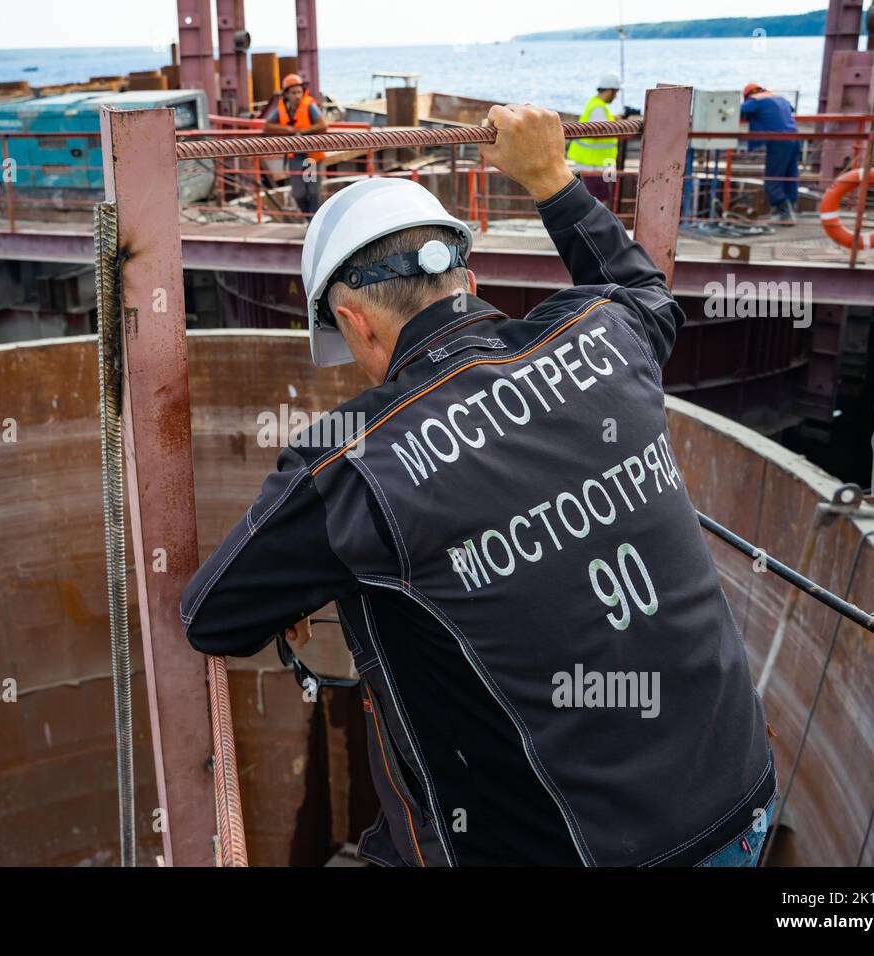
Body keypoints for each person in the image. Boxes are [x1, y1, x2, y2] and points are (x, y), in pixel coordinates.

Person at [181, 103, 776, 867]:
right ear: (468, 275)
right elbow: (648, 293)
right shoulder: (604, 332)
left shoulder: (353, 464)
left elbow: (210, 619)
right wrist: (552, 179)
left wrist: (298, 587)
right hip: (741, 802)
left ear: (355, 323)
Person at [262, 73, 328, 216]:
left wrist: (304, 131)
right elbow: (267, 126)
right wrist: (288, 129)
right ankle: (308, 220)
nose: (297, 95)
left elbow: (322, 125)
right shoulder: (282, 109)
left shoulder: (309, 106)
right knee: (298, 193)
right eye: (293, 92)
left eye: (299, 92)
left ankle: (313, 222)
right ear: (286, 94)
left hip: (311, 157)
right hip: (295, 157)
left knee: (313, 192)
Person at [741, 83, 800, 224]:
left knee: (773, 177)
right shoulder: (779, 98)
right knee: (790, 175)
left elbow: (737, 110)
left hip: (778, 141)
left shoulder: (755, 100)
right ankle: (790, 208)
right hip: (794, 138)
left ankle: (784, 213)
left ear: (748, 95)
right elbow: (791, 109)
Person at [566, 72, 621, 205]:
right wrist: (618, 124)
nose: (616, 96)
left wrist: (613, 119)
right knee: (599, 199)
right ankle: (599, 224)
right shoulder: (598, 108)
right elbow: (599, 131)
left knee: (600, 196)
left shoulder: (595, 104)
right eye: (615, 92)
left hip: (601, 162)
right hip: (594, 163)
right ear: (610, 91)